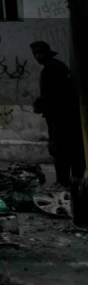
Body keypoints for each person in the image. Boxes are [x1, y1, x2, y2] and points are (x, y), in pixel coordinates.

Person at [31, 41, 85, 186]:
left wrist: (41, 104)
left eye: (40, 52)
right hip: (64, 115)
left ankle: (63, 181)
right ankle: (71, 180)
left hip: (60, 116)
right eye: (35, 53)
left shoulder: (51, 68)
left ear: (46, 52)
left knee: (60, 150)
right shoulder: (56, 66)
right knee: (68, 149)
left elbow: (54, 94)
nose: (37, 56)